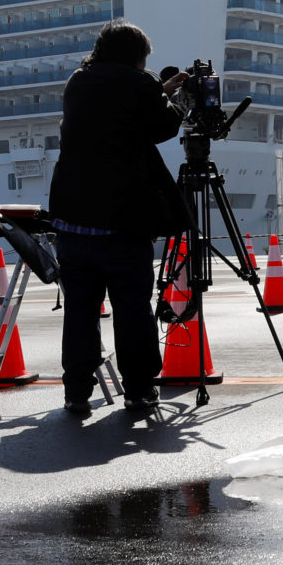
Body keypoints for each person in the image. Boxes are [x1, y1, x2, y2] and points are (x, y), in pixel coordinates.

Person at [44, 21, 188, 416]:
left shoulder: (78, 80)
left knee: (80, 311)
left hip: (72, 222)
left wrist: (157, 91)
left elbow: (114, 111)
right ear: (136, 55)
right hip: (122, 224)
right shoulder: (138, 84)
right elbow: (162, 126)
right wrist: (178, 101)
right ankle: (139, 390)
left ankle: (76, 392)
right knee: (131, 309)